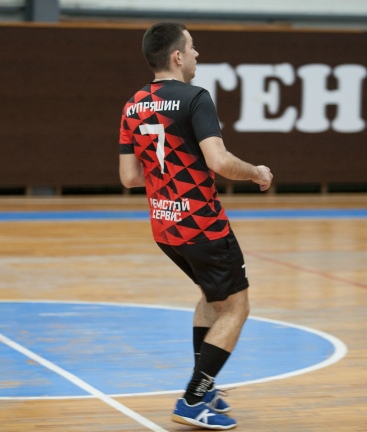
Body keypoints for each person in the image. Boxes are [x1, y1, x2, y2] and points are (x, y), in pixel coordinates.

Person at [118, 22, 273, 430]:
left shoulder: (133, 105)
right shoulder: (195, 98)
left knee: (211, 296)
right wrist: (257, 172)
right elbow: (219, 162)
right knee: (236, 308)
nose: (197, 54)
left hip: (165, 227)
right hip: (202, 225)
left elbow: (129, 177)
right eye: (192, 47)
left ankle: (204, 390)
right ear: (177, 56)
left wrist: (168, 183)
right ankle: (192, 399)